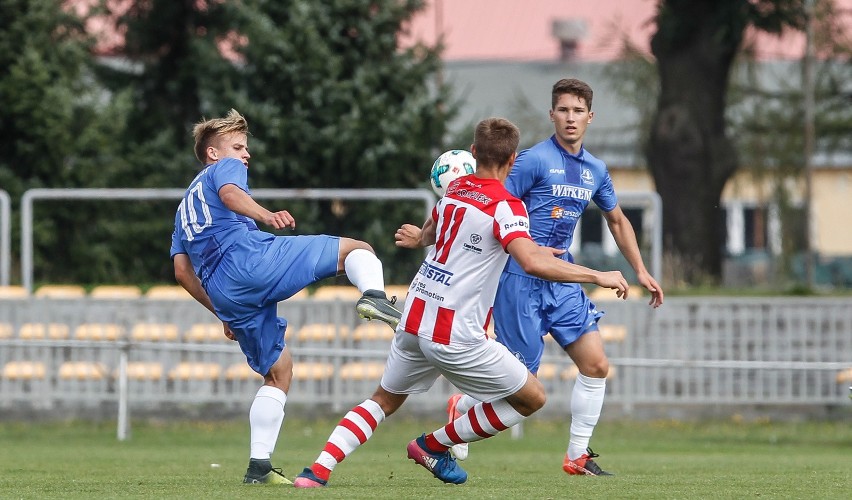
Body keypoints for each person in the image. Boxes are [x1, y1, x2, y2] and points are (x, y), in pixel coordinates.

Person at [292, 117, 629, 488]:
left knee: (383, 400)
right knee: (532, 398)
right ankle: (433, 445)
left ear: (473, 152)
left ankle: (317, 470)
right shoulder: (508, 206)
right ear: (514, 159)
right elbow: (531, 263)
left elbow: (436, 226)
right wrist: (597, 275)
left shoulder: (456, 189)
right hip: (456, 333)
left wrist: (419, 238)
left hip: (415, 317)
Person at [444, 78, 665, 475]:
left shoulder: (595, 169)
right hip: (519, 279)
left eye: (578, 111)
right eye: (563, 110)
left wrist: (642, 271)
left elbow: (616, 220)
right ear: (552, 114)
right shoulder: (531, 160)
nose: (570, 118)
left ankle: (577, 456)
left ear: (590, 117)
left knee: (596, 364)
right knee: (520, 385)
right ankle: (461, 407)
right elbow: (491, 201)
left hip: (563, 281)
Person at [169, 109, 401, 485]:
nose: (245, 154)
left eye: (246, 148)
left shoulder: (183, 210)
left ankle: (258, 466)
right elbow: (230, 195)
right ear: (213, 153)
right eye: (238, 146)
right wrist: (265, 214)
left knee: (278, 372)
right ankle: (374, 296)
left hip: (223, 291)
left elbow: (182, 271)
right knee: (358, 249)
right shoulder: (221, 170)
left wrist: (222, 313)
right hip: (249, 260)